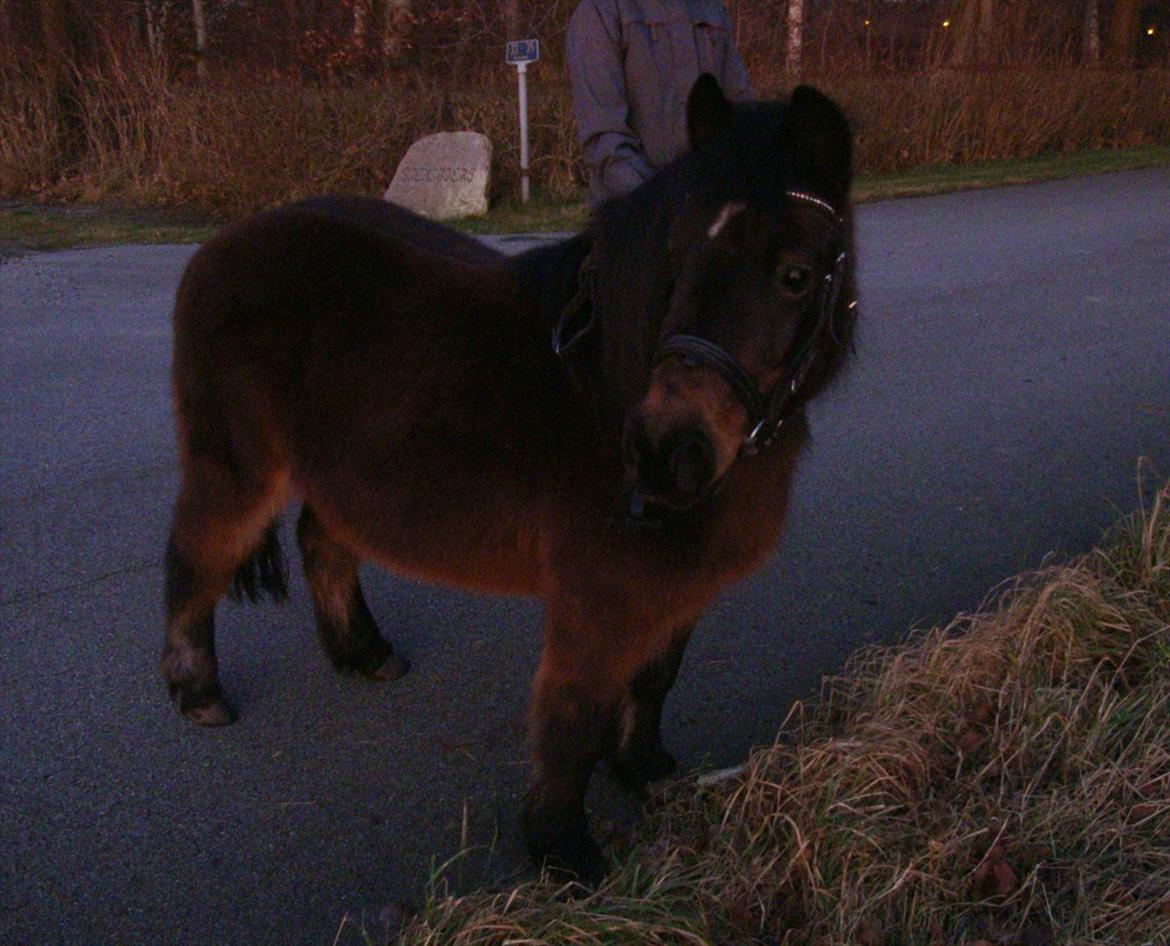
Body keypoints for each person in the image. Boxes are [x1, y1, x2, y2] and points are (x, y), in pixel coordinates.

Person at [566, 0, 754, 205]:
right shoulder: (603, 10)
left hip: (708, 214)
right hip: (632, 217)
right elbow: (604, 139)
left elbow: (742, 116)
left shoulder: (710, 9)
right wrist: (663, 202)